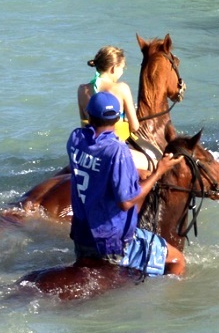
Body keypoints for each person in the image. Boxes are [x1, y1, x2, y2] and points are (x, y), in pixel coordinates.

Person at [68, 91, 186, 276]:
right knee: (177, 259)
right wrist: (158, 171)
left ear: (89, 114)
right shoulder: (118, 150)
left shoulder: (75, 138)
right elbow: (126, 202)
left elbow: (95, 167)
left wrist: (133, 171)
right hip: (111, 242)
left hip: (81, 235)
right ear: (118, 119)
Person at [77, 46, 148, 170]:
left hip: (89, 150)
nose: (122, 71)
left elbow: (84, 124)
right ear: (113, 68)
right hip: (115, 149)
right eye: (122, 68)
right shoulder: (121, 88)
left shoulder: (82, 89)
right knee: (155, 163)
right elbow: (135, 127)